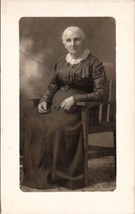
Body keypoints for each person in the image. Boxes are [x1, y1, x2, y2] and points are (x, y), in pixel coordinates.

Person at [22, 26, 108, 190]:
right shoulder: (61, 61)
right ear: (64, 43)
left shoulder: (93, 63)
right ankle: (42, 174)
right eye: (68, 40)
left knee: (55, 126)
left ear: (83, 41)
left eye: (76, 39)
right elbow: (53, 84)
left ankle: (62, 176)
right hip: (57, 106)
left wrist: (75, 99)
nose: (73, 44)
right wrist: (44, 100)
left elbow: (102, 93)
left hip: (82, 109)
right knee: (34, 122)